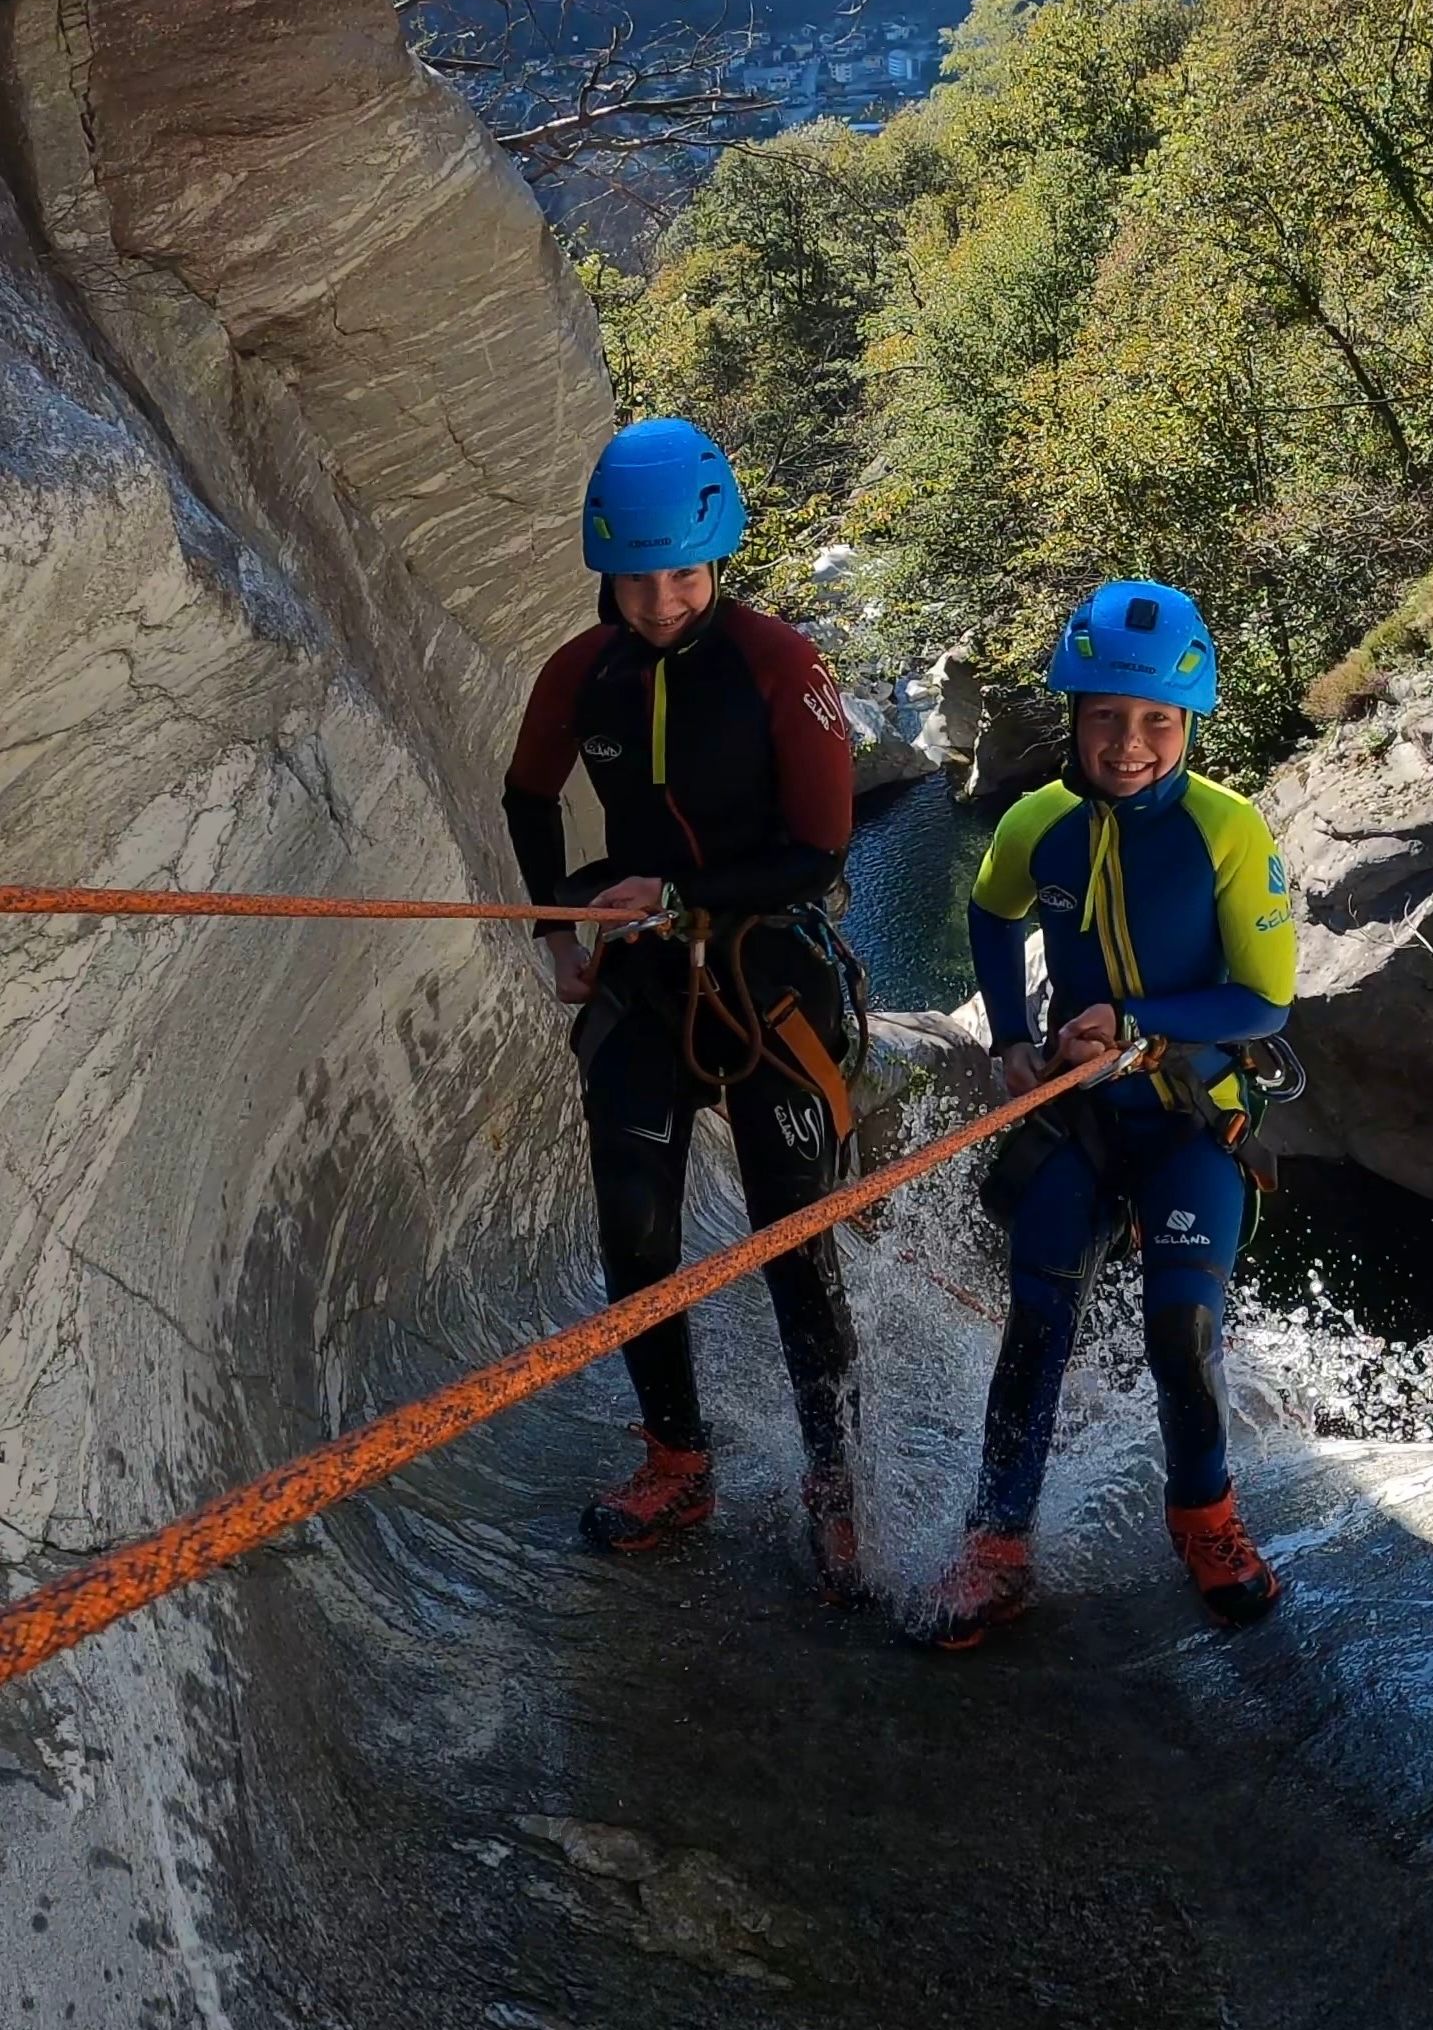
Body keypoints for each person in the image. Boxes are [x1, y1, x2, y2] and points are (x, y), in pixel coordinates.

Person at [501, 417, 866, 1600]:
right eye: (639, 576)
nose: (661, 600)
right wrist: (559, 925)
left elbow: (817, 850)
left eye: (684, 573)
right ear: (605, 565)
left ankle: (836, 1481)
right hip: (649, 976)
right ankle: (676, 1458)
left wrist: (682, 893)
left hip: (769, 962)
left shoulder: (780, 666)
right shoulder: (582, 670)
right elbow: (528, 795)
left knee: (789, 1238)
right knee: (634, 1223)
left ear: (719, 561)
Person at [925, 579, 1297, 1649]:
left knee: (1181, 1329)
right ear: (1074, 717)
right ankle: (996, 1544)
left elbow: (1262, 997)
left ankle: (1208, 1517)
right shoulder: (1038, 825)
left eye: (1157, 723)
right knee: (1038, 1317)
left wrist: (1133, 1017)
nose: (1130, 744)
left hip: (1187, 1113)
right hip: (1080, 1110)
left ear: (1186, 726)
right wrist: (1006, 1038)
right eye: (1106, 718)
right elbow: (989, 917)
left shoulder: (1228, 831)